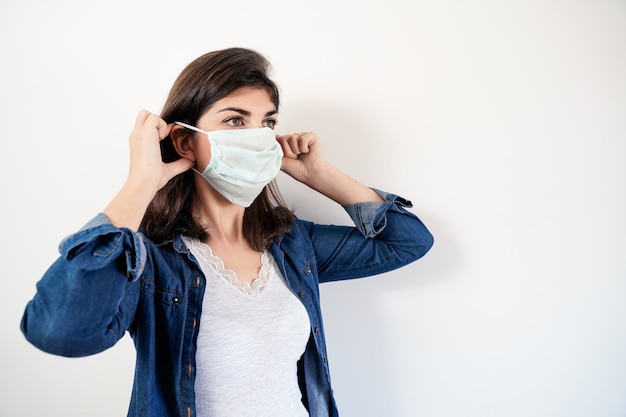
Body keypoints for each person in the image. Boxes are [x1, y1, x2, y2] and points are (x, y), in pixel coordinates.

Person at [20, 47, 433, 417]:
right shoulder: (150, 257)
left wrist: (320, 175)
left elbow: (409, 241)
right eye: (236, 120)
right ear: (185, 142)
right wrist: (140, 184)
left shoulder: (292, 243)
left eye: (267, 122)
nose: (257, 137)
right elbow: (61, 331)